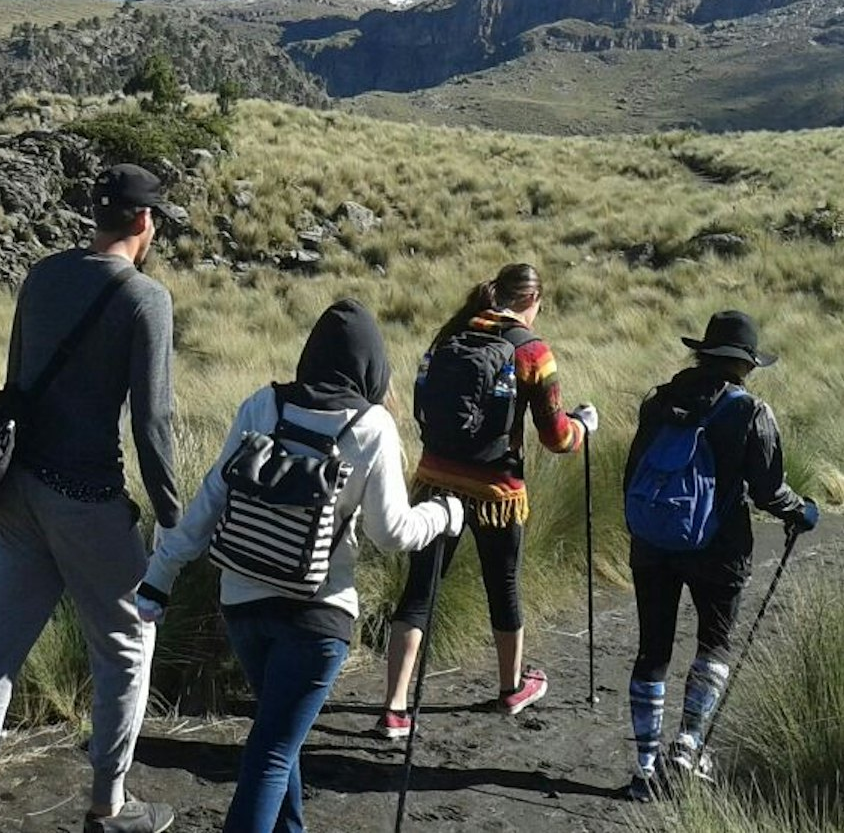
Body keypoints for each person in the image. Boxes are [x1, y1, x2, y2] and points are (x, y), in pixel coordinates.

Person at [135, 298, 463, 833]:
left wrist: (158, 579)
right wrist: (443, 515)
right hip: (317, 617)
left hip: (243, 603)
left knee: (276, 736)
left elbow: (210, 499)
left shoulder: (262, 405)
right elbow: (391, 534)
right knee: (272, 750)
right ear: (372, 365)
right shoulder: (372, 425)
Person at [0, 164, 183, 833]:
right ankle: (109, 805)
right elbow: (153, 421)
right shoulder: (145, 299)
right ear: (143, 221)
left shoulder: (43, 274)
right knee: (127, 646)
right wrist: (172, 516)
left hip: (15, 492)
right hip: (88, 498)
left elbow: (15, 383)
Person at [376, 262, 596, 735]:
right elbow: (557, 437)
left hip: (435, 480)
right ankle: (511, 687)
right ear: (532, 300)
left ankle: (394, 708)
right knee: (503, 584)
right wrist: (584, 426)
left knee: (419, 590)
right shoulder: (532, 350)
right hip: (497, 491)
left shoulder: (450, 334)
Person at [622, 310, 818, 802]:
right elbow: (769, 490)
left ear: (704, 353)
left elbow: (633, 473)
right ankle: (689, 746)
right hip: (719, 548)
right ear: (746, 364)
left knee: (652, 650)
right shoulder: (750, 411)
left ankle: (645, 768)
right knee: (714, 644)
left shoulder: (659, 401)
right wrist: (802, 512)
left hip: (652, 542)